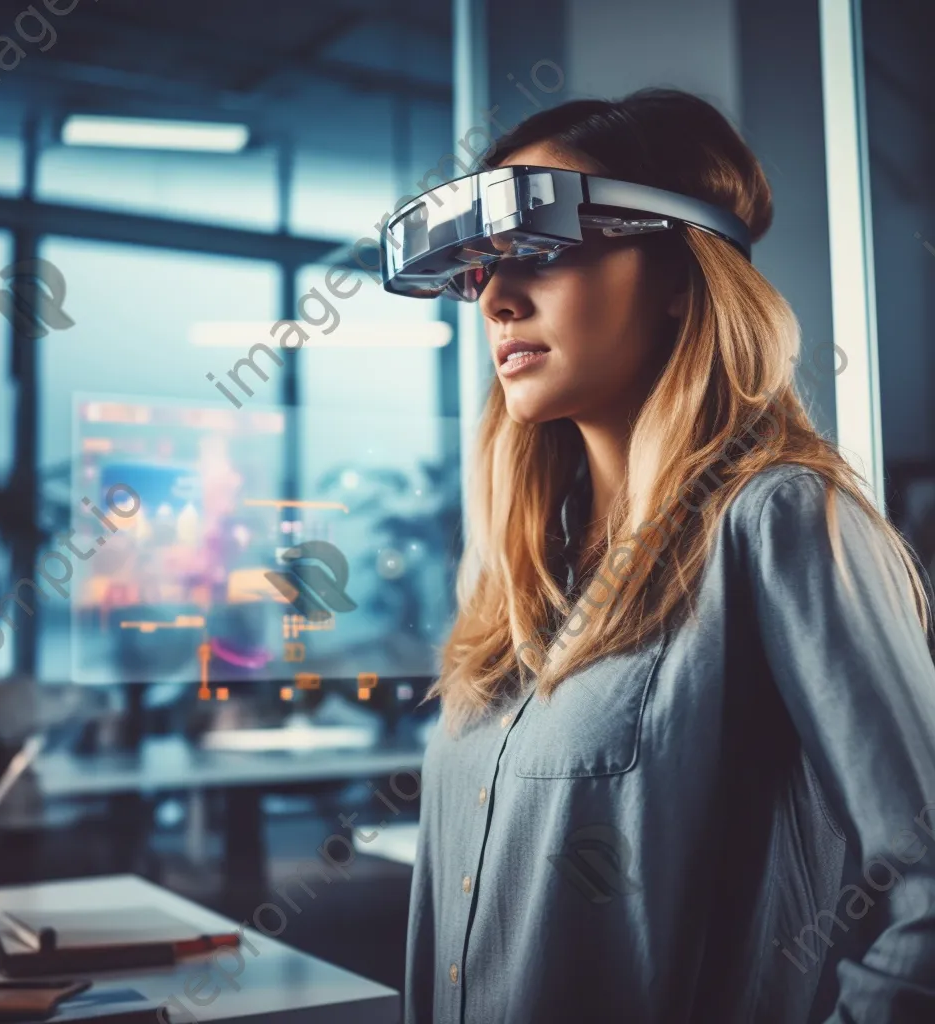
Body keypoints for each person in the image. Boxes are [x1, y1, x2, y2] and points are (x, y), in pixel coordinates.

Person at [398, 88, 935, 1023]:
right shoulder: (521, 572)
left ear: (683, 277)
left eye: (539, 248)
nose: (495, 297)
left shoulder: (781, 519)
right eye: (482, 265)